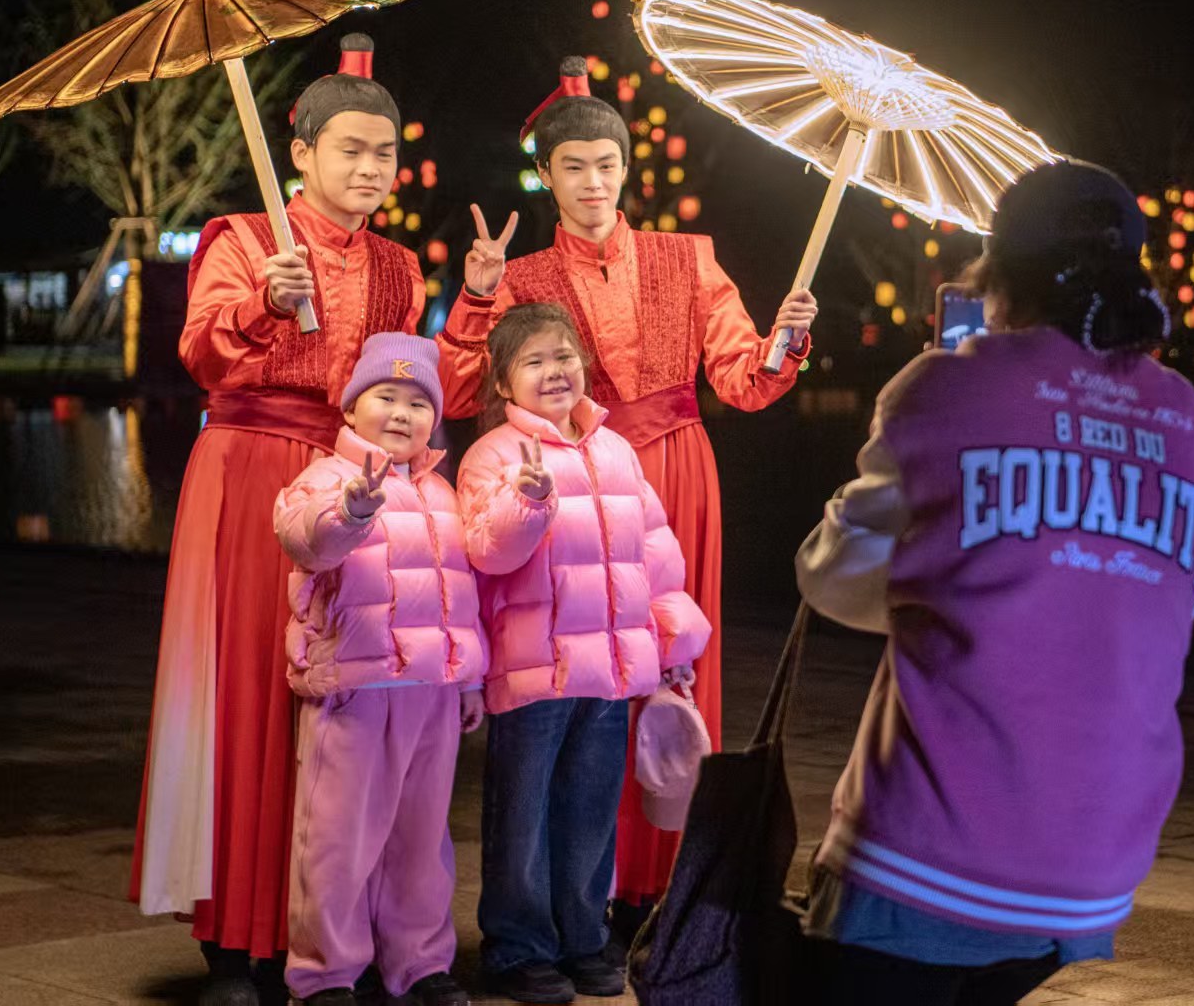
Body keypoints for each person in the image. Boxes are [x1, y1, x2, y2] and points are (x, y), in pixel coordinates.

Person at [792, 160, 1194, 1005]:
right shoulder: (1184, 419)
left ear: (999, 270)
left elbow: (837, 578)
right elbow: (1153, 598)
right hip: (1094, 867)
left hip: (927, 853)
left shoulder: (950, 386)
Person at [130, 39, 477, 1006]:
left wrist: (479, 303)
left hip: (355, 483)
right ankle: (237, 936)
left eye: (385, 155)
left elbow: (426, 389)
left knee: (344, 702)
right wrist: (261, 304)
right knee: (250, 689)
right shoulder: (239, 237)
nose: (370, 170)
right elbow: (199, 354)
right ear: (302, 152)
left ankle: (336, 932)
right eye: (351, 150)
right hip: (247, 474)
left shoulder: (401, 267)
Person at [441, 57, 816, 917]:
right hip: (573, 484)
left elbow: (741, 381)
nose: (592, 182)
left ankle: (663, 884)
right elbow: (463, 394)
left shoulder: (691, 257)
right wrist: (476, 295)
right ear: (547, 176)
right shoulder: (524, 277)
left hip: (679, 473)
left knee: (676, 667)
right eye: (573, 166)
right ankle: (586, 894)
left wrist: (783, 341)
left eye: (606, 165)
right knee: (587, 675)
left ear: (625, 170)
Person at [458, 303, 711, 1004]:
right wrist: (528, 503)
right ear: (503, 384)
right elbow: (485, 551)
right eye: (534, 362)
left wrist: (671, 640)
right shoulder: (493, 455)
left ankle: (583, 936)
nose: (555, 372)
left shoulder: (614, 450)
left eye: (564, 356)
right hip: (533, 672)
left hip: (609, 669)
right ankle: (517, 947)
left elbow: (653, 553)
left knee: (590, 810)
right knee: (523, 814)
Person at [274, 334, 486, 1006]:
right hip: (356, 691)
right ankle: (326, 973)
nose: (401, 412)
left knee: (421, 840)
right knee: (336, 839)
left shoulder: (441, 492)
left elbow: (462, 590)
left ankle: (419, 964)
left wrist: (470, 678)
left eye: (418, 402)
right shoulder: (325, 479)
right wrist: (354, 511)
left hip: (430, 691)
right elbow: (308, 537)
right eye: (385, 396)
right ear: (352, 405)